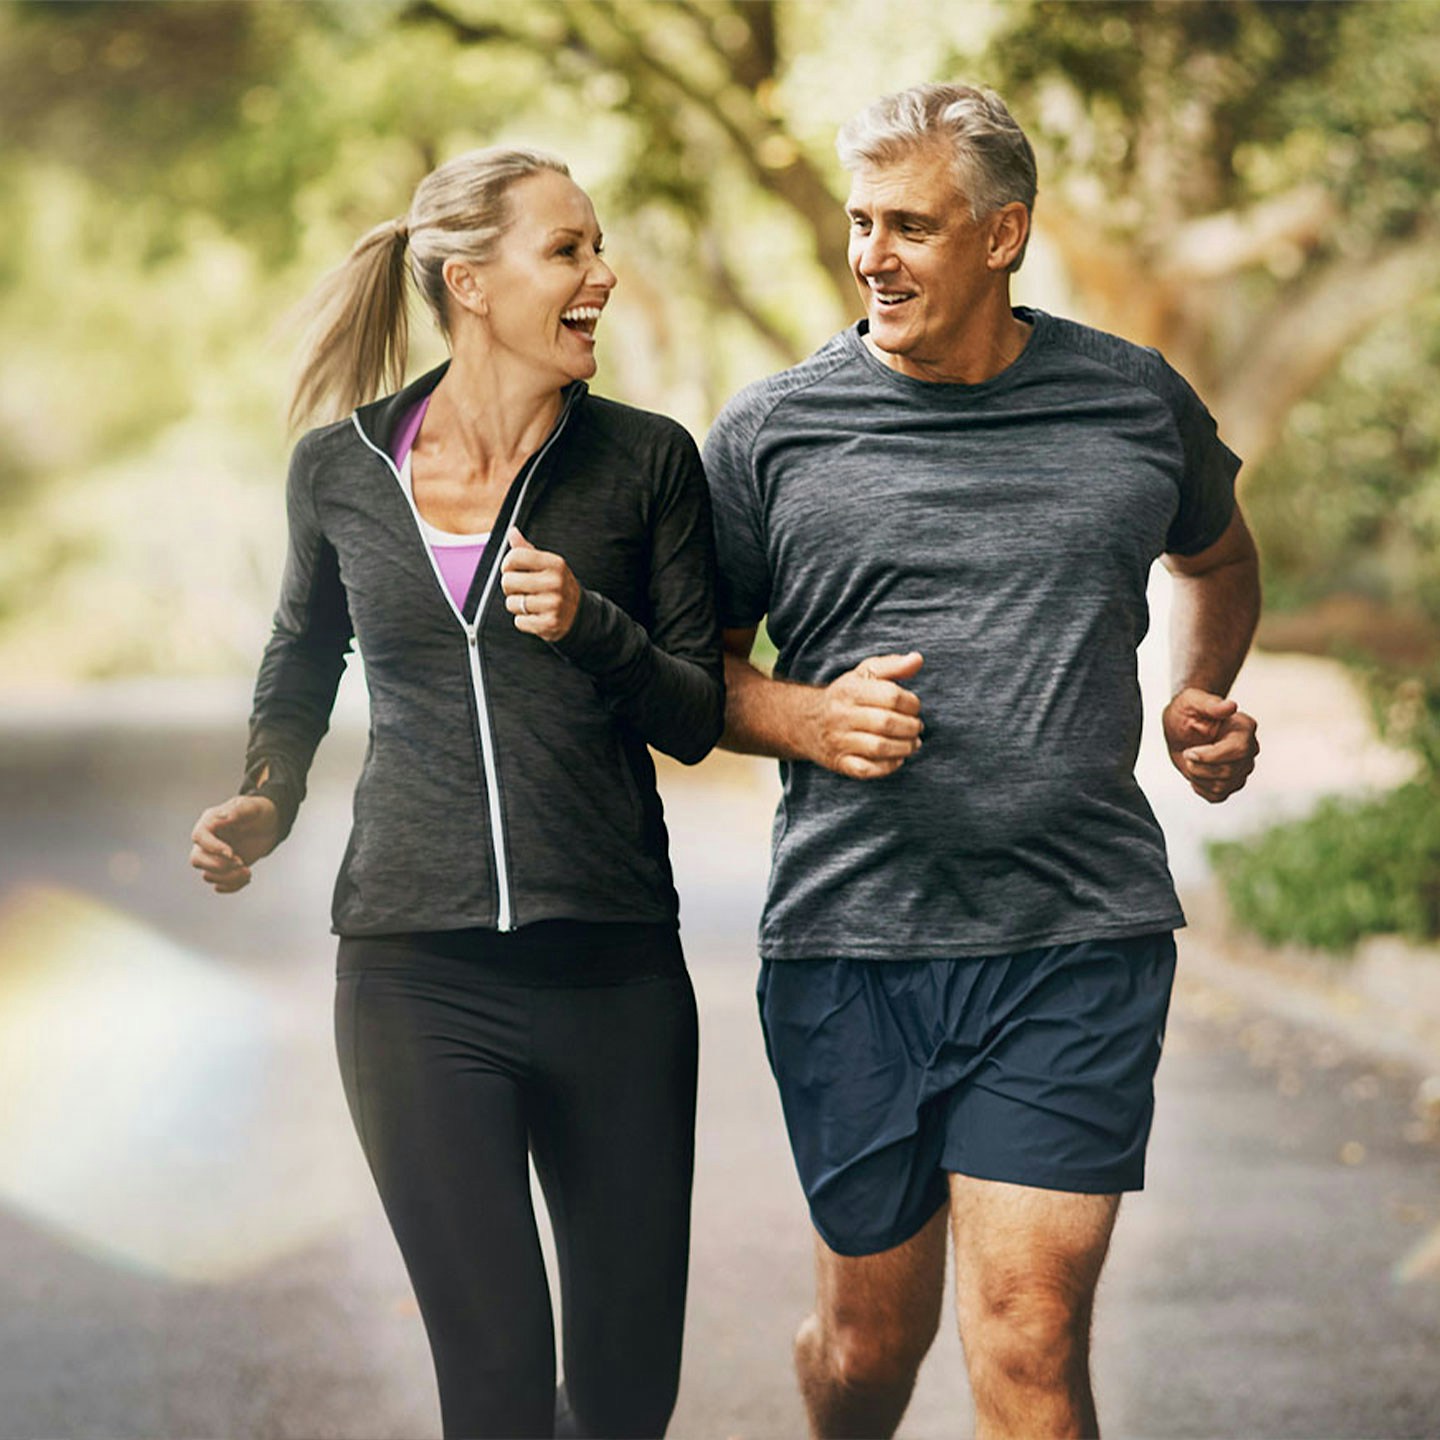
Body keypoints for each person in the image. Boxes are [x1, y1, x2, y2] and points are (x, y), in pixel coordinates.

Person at [703, 83, 1260, 1440]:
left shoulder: (1133, 403)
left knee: (1025, 1339)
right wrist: (803, 718)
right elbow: (694, 674)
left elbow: (1220, 555)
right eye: (859, 223)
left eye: (912, 225)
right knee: (866, 1350)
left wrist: (1201, 688)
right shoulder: (773, 433)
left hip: (1076, 933)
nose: (872, 255)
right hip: (852, 945)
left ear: (1003, 233)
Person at [188, 146, 723, 1440]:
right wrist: (267, 797)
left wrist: (594, 626)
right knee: (492, 1394)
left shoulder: (648, 463)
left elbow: (700, 711)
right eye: (569, 251)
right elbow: (301, 660)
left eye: (597, 247)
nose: (601, 275)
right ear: (470, 283)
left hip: (616, 980)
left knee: (621, 1401)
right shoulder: (339, 470)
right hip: (414, 980)